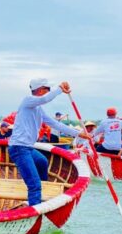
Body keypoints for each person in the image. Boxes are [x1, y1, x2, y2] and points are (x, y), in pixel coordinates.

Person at [9, 78, 92, 206]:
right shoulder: (28, 100)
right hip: (18, 148)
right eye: (48, 89)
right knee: (34, 185)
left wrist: (78, 133)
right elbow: (45, 99)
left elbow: (55, 124)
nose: (49, 91)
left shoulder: (38, 109)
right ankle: (35, 208)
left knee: (42, 162)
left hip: (28, 148)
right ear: (41, 90)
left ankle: (41, 196)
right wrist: (59, 89)